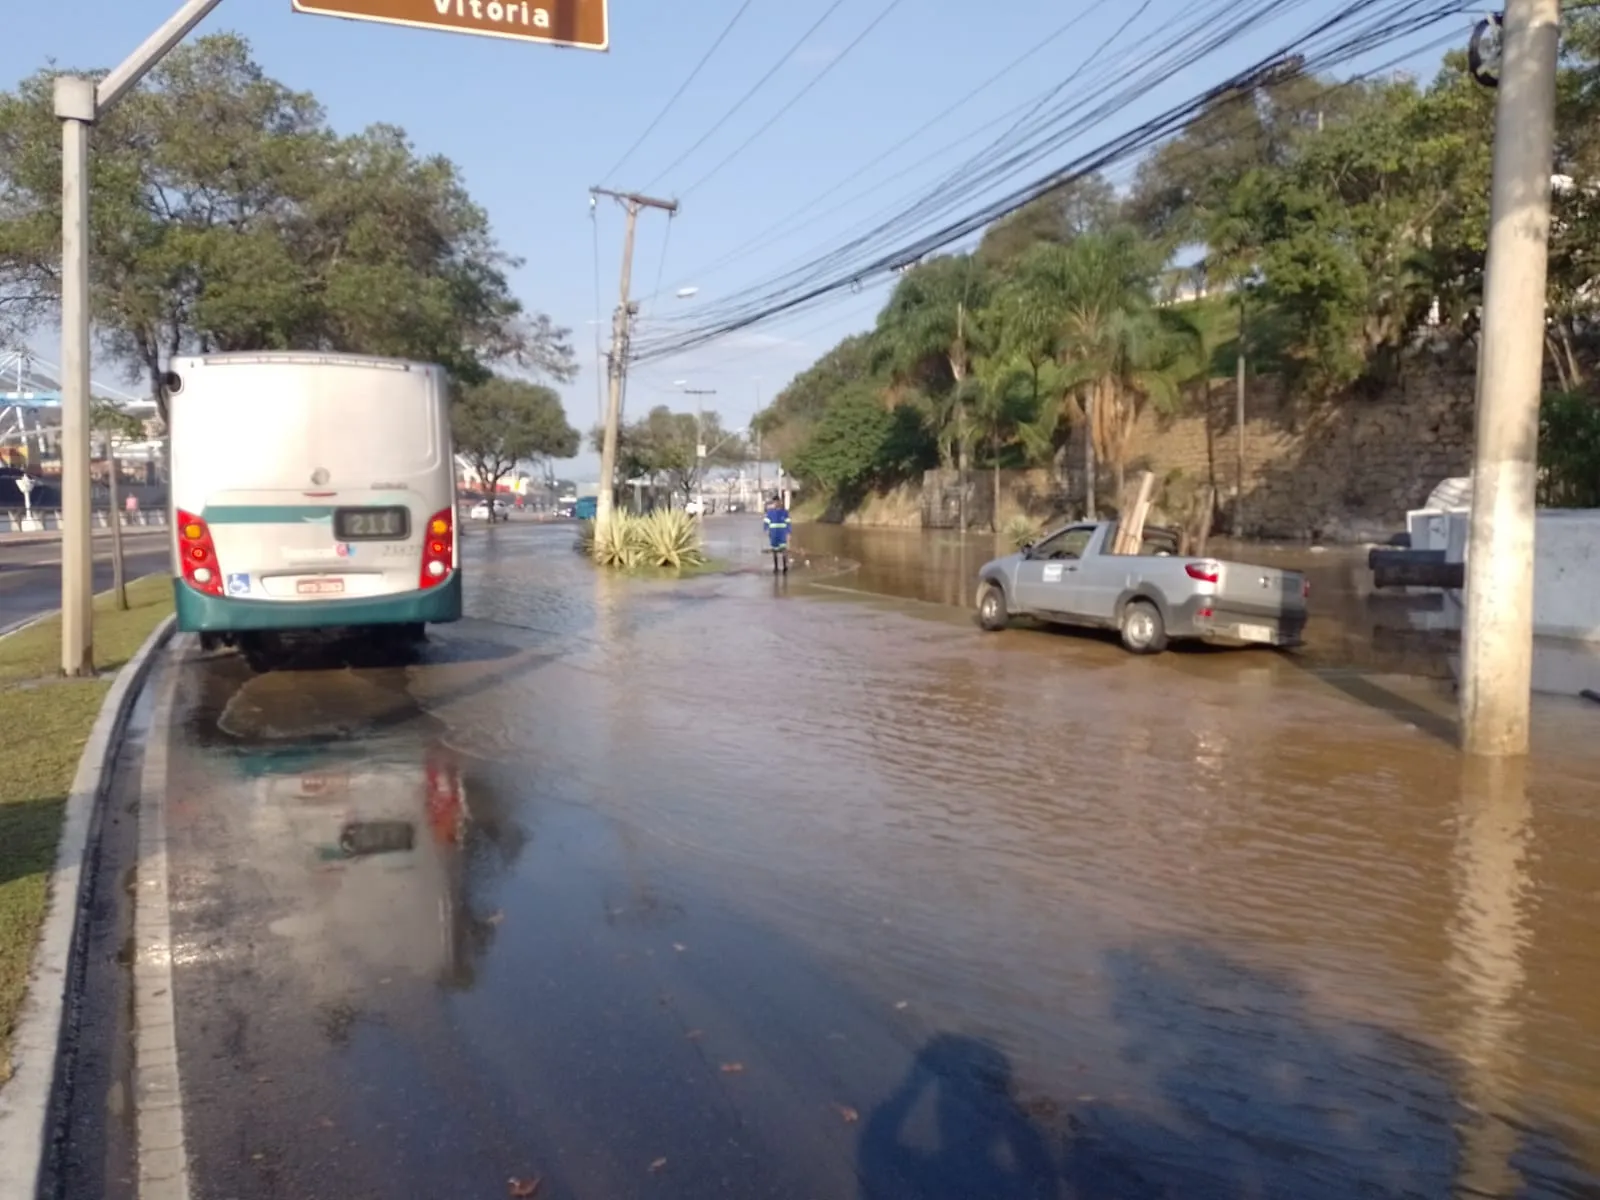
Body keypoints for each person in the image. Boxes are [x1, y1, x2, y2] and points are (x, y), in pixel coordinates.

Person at [763, 493, 790, 574]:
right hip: (773, 533)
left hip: (782, 533)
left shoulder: (784, 512)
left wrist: (789, 533)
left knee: (783, 549)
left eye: (778, 502)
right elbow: (766, 522)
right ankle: (776, 567)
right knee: (774, 550)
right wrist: (766, 530)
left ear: (780, 502)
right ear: (773, 503)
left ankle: (785, 567)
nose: (776, 503)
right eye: (775, 502)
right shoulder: (770, 512)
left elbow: (788, 523)